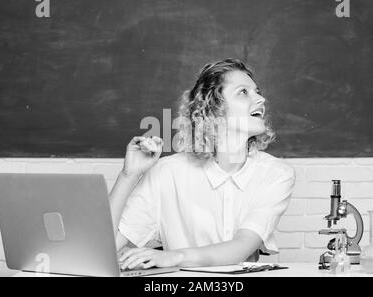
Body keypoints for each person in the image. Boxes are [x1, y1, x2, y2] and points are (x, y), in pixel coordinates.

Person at [109, 59, 295, 270]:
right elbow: (106, 246)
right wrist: (129, 175)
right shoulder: (167, 172)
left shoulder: (276, 174)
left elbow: (240, 247)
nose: (261, 98)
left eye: (257, 91)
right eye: (243, 92)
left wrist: (173, 257)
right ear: (213, 108)